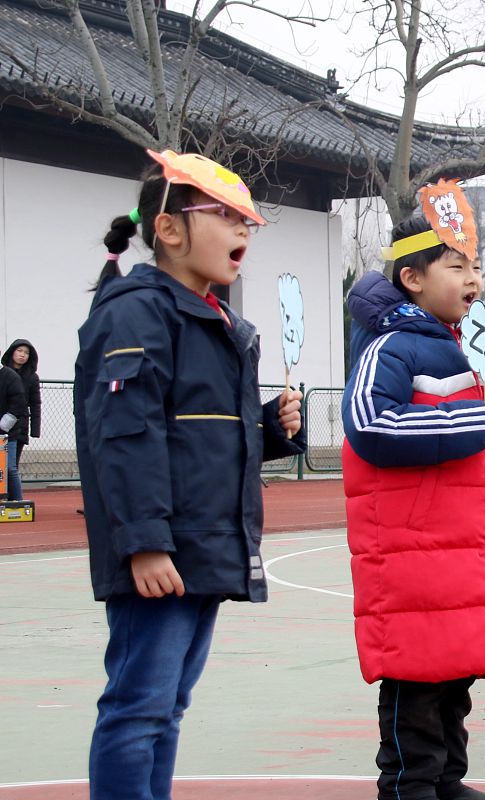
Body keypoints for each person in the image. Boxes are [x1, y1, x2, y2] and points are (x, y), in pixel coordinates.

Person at [75, 151, 305, 800]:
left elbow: (203, 436)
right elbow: (125, 434)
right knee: (138, 707)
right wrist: (145, 541)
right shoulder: (137, 312)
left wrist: (271, 428)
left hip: (201, 543)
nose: (243, 232)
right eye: (226, 217)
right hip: (162, 550)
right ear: (170, 231)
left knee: (167, 706)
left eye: (247, 223)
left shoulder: (220, 322)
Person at [342, 181, 485, 800]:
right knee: (418, 676)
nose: (472, 278)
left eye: (476, 265)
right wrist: (469, 421)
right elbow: (370, 424)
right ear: (411, 278)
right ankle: (407, 785)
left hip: (465, 548)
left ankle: (447, 779)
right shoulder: (392, 347)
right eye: (456, 266)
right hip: (411, 551)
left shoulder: (470, 355)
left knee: (456, 671)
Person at [1, 340, 40, 500]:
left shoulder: (32, 377)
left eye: (26, 352)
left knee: (11, 466)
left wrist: (35, 430)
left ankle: (16, 500)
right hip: (3, 425)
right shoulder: (4, 373)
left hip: (19, 427)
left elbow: (35, 404)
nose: (23, 355)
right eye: (19, 351)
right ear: (12, 352)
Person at [0, 363, 26, 498]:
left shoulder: (10, 376)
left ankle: (18, 502)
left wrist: (3, 425)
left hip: (7, 433)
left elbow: (19, 403)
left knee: (9, 468)